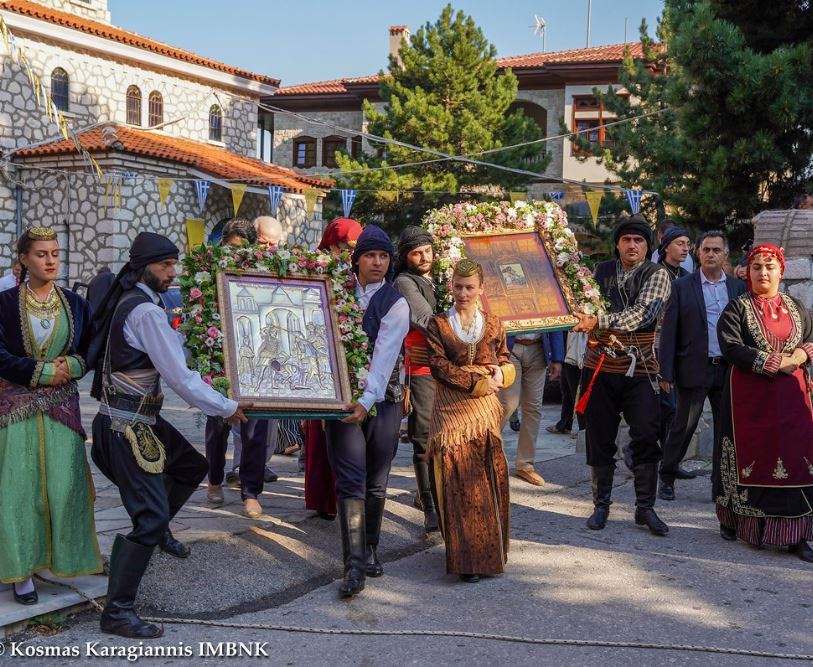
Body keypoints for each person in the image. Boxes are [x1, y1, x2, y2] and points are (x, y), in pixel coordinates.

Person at [89, 232, 250, 638]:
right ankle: (118, 611)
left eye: (174, 264)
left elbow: (177, 355)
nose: (172, 272)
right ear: (146, 266)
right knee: (149, 516)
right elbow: (178, 376)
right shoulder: (143, 311)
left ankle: (157, 530)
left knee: (191, 465)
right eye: (166, 265)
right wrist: (227, 408)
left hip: (136, 420)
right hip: (127, 427)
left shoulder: (143, 303)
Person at [0, 228, 103, 605]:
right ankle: (21, 569)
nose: (51, 260)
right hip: (15, 410)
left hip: (62, 408)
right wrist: (43, 372)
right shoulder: (6, 303)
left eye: (55, 253)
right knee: (18, 489)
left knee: (64, 486)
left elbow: (91, 345)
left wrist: (72, 365)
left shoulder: (75, 303)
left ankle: (62, 558)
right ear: (24, 259)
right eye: (41, 254)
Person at [324, 225, 409, 599]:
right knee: (349, 477)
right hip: (341, 399)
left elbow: (384, 356)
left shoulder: (396, 302)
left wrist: (367, 400)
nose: (377, 262)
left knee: (376, 477)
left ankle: (371, 547)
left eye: (384, 256)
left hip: (384, 398)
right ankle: (353, 566)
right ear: (356, 259)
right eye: (371, 255)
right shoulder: (332, 290)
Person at [573, 214, 671, 536]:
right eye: (626, 239)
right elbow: (577, 303)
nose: (632, 245)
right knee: (599, 436)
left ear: (647, 246)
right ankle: (601, 505)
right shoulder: (599, 271)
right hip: (600, 365)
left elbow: (641, 315)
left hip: (640, 367)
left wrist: (597, 322)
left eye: (639, 240)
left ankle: (645, 508)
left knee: (645, 433)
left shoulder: (657, 274)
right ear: (617, 243)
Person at [715, 244, 813, 562]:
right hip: (749, 399)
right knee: (754, 456)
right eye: (757, 266)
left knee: (797, 457)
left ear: (781, 271)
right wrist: (772, 362)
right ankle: (741, 523)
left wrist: (799, 356)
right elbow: (730, 346)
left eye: (770, 266)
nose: (763, 272)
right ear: (748, 272)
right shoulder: (737, 308)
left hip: (793, 399)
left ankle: (798, 535)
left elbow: (811, 338)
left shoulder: (797, 307)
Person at [425, 259, 515, 582]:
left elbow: (505, 359)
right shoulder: (438, 325)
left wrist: (501, 374)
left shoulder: (493, 324)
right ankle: (465, 562)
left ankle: (487, 556)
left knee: (486, 481)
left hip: (485, 414)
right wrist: (476, 383)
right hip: (452, 413)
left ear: (481, 289)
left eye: (470, 287)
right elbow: (438, 366)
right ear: (451, 286)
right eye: (458, 286)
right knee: (458, 481)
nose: (463, 293)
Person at [658, 231, 746, 501]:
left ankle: (719, 485)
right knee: (684, 426)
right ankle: (667, 476)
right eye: (706, 249)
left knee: (726, 430)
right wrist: (666, 372)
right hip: (694, 367)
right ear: (698, 253)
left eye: (716, 250)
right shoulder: (684, 286)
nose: (710, 254)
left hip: (728, 370)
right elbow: (669, 332)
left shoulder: (737, 288)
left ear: (725, 255)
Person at [204, 218, 276, 515]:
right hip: (219, 355)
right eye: (230, 248)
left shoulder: (265, 272)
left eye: (242, 249)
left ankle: (251, 491)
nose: (235, 255)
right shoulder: (209, 274)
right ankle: (215, 481)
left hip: (252, 356)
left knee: (255, 425)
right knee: (217, 423)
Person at [303, 217, 363, 521]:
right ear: (331, 243)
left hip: (353, 357)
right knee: (321, 431)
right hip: (321, 357)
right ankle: (322, 498)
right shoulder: (316, 269)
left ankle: (349, 495)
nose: (348, 253)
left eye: (354, 248)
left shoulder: (361, 273)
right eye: (343, 246)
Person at [393, 225, 440, 533]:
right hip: (422, 369)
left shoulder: (438, 280)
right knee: (422, 438)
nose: (424, 257)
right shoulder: (404, 282)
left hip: (447, 368)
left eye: (428, 251)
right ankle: (430, 507)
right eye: (416, 253)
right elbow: (426, 321)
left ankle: (434, 496)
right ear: (406, 256)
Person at [498, 327, 563, 486]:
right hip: (509, 347)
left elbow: (555, 317)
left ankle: (525, 465)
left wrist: (557, 357)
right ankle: (486, 456)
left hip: (539, 348)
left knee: (533, 407)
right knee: (507, 404)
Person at [547, 331, 587, 437]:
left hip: (577, 347)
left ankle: (584, 428)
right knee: (566, 388)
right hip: (567, 345)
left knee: (577, 391)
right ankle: (564, 424)